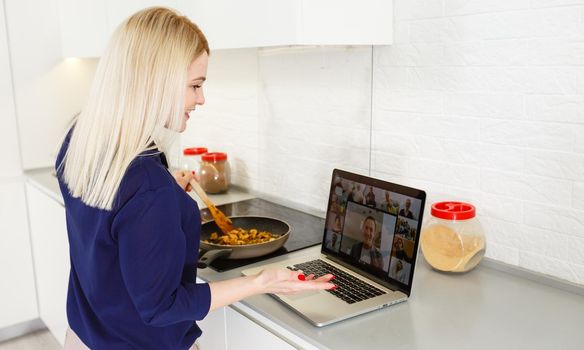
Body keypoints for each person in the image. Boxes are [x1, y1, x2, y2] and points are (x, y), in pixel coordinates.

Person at [55, 8, 334, 350]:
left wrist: (164, 192)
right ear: (156, 82)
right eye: (195, 86)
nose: (201, 99)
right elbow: (162, 307)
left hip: (85, 335)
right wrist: (261, 281)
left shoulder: (81, 138)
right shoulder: (145, 185)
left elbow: (107, 220)